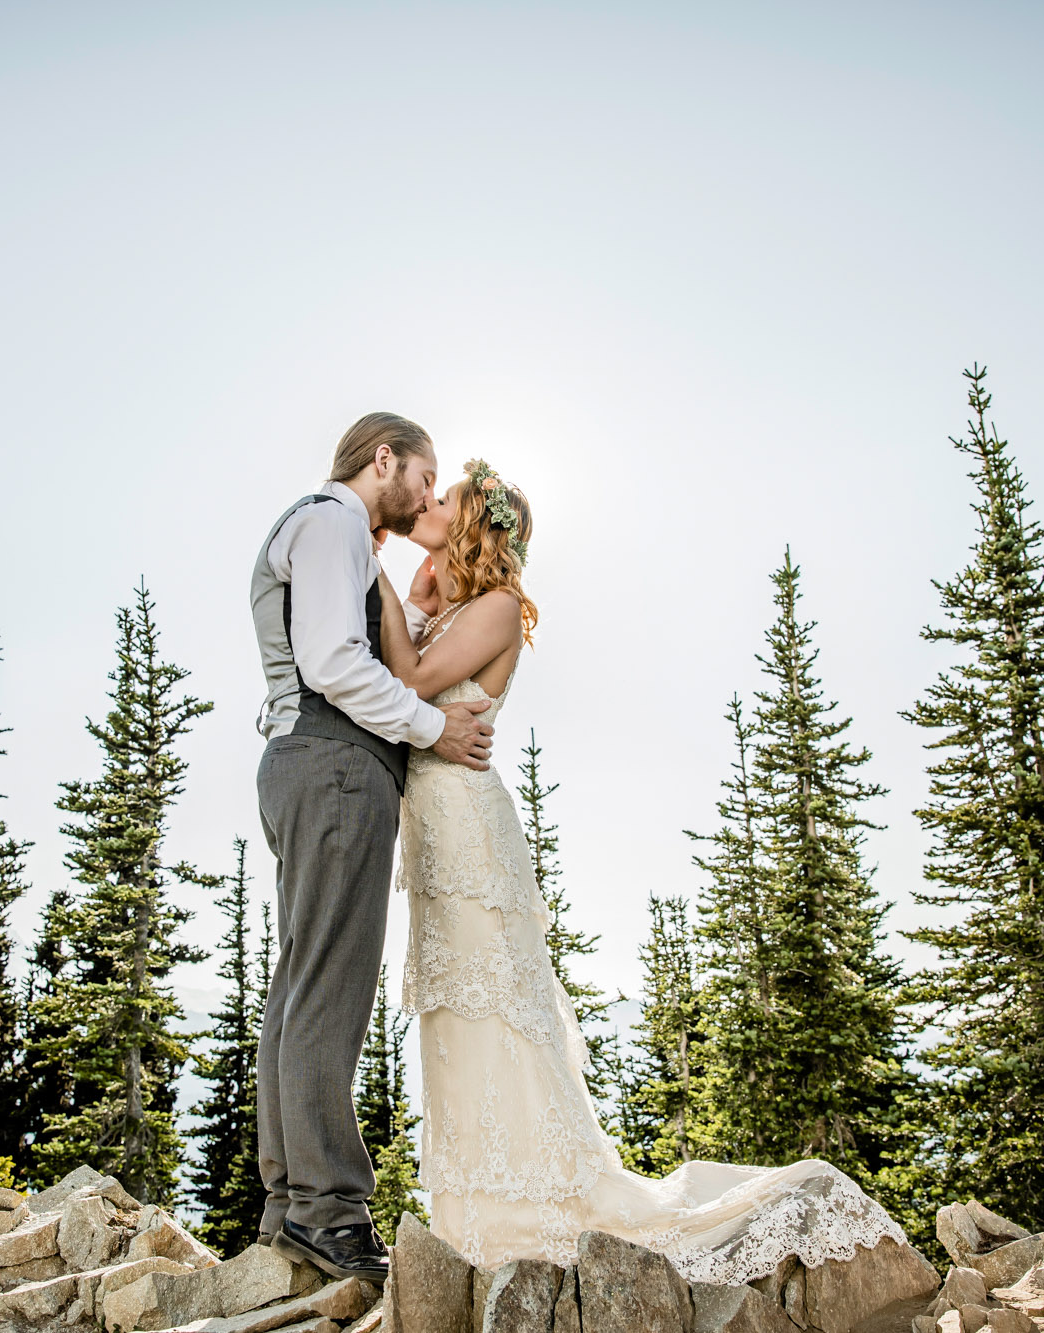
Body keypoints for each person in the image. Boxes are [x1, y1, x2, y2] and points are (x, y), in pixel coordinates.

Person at [373, 458, 912, 1281]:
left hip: (473, 838)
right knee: (457, 1015)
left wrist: (371, 568)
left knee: (497, 1013)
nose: (432, 502)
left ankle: (537, 1212)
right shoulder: (452, 604)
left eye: (447, 496)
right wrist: (414, 595)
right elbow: (400, 685)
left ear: (478, 519)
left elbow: (407, 679)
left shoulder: (499, 609)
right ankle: (477, 1220)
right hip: (436, 837)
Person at [247, 412, 496, 1284]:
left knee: (299, 980)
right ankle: (330, 1211)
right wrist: (432, 726)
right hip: (338, 768)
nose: (429, 497)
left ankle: (289, 1204)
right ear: (382, 458)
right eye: (423, 479)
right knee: (331, 988)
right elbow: (332, 661)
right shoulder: (331, 523)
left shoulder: (334, 532)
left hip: (306, 763)